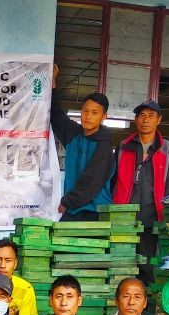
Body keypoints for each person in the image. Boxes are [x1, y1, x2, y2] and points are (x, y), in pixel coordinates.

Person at [111, 100, 169, 284]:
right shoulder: (124, 146)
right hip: (125, 216)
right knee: (122, 264)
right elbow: (113, 180)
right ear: (135, 119)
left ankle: (146, 309)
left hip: (153, 216)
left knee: (148, 266)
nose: (145, 120)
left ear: (159, 120)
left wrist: (166, 217)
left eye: (151, 116)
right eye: (141, 115)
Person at [50, 65, 114, 221]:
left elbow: (91, 180)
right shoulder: (73, 134)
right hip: (73, 209)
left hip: (96, 210)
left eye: (94, 113)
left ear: (104, 116)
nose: (88, 116)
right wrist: (52, 82)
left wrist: (67, 201)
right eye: (85, 111)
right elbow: (55, 114)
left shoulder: (104, 145)